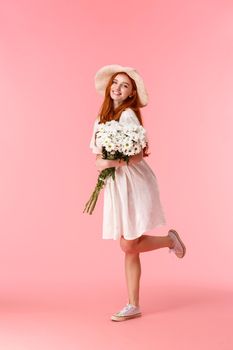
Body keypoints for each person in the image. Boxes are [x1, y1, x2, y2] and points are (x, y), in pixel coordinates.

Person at [89, 64, 186, 322]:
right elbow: (98, 158)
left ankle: (169, 240)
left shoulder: (128, 115)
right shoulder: (100, 120)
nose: (118, 88)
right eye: (115, 83)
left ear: (131, 94)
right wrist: (108, 162)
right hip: (116, 185)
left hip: (134, 182)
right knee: (129, 247)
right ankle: (133, 304)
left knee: (128, 243)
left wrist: (116, 162)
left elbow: (139, 153)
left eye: (125, 85)